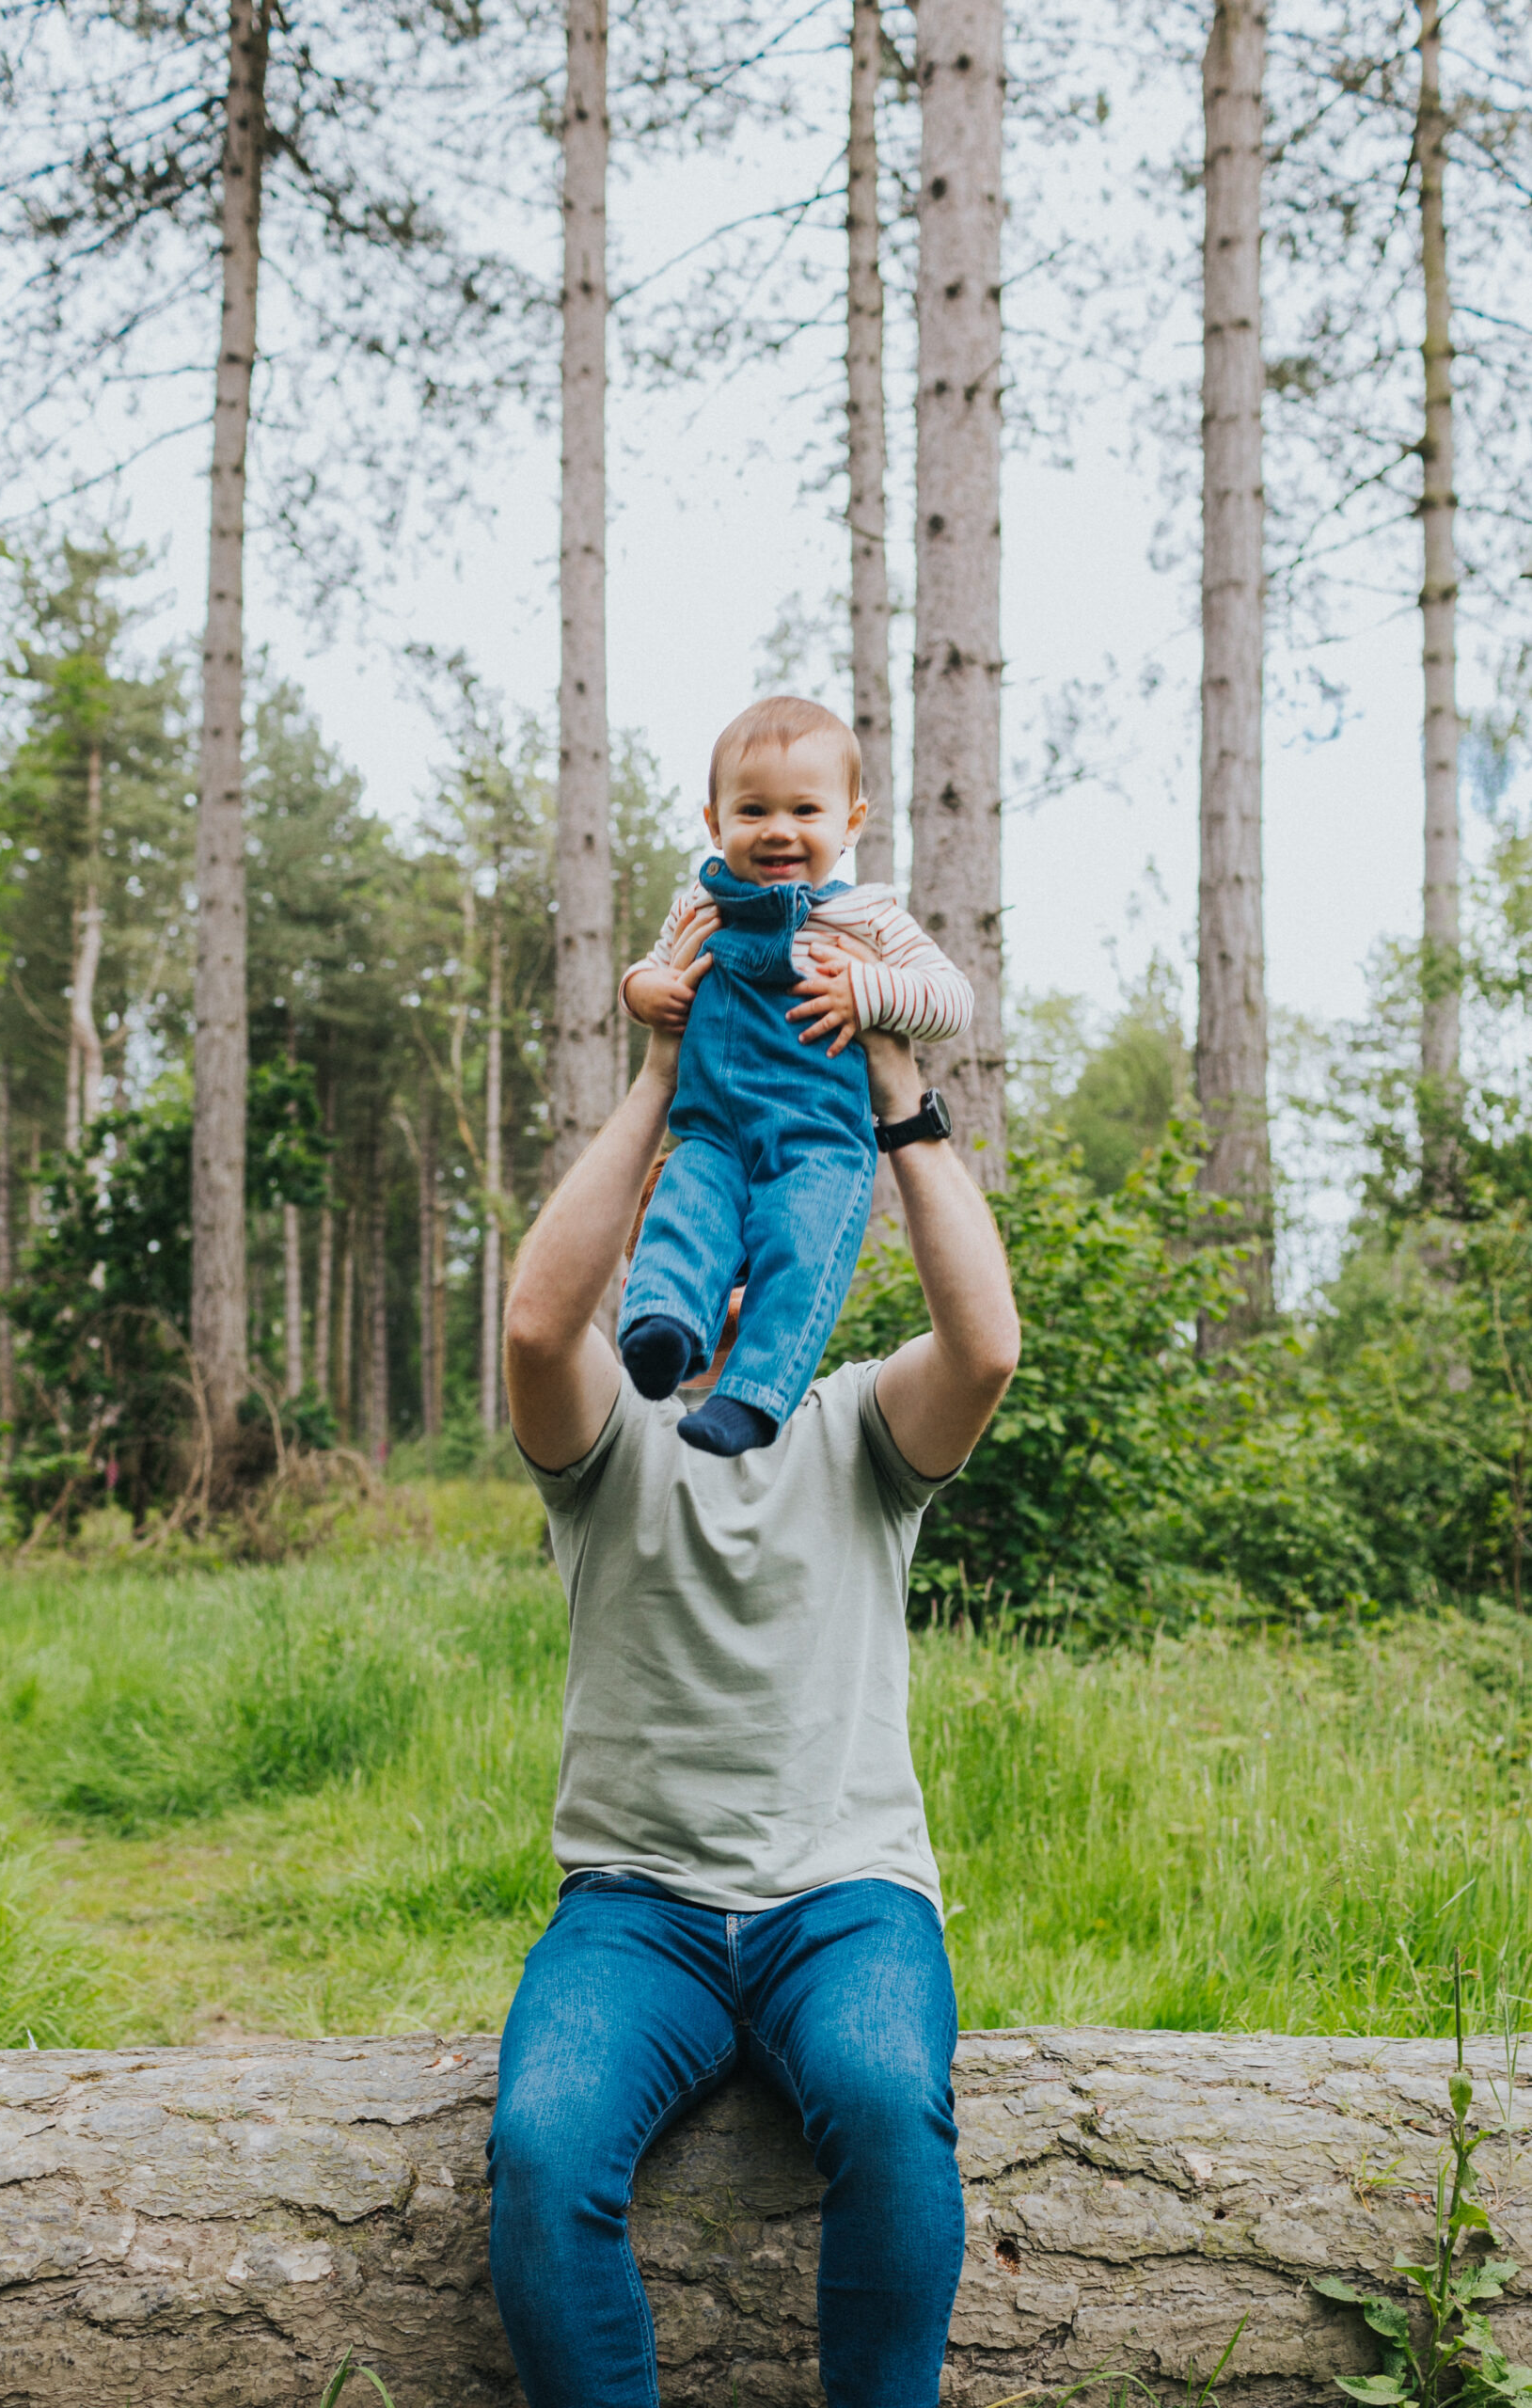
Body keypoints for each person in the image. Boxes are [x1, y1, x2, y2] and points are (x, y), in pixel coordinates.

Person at [487, 990, 1021, 2408]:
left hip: (844, 1901)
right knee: (541, 2156)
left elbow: (984, 1349)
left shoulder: (853, 1426)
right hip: (632, 1912)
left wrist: (894, 1086)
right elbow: (539, 1323)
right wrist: (670, 1071)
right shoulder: (609, 1439)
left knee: (888, 2111)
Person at [617, 694, 973, 1459]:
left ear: (850, 823)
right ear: (714, 823)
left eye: (805, 810)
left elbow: (951, 1001)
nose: (778, 829)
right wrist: (642, 991)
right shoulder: (700, 904)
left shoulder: (868, 918)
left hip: (817, 1142)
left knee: (799, 1250)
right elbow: (650, 967)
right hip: (711, 1131)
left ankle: (752, 1395)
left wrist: (867, 993)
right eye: (752, 810)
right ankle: (665, 1327)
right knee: (682, 1210)